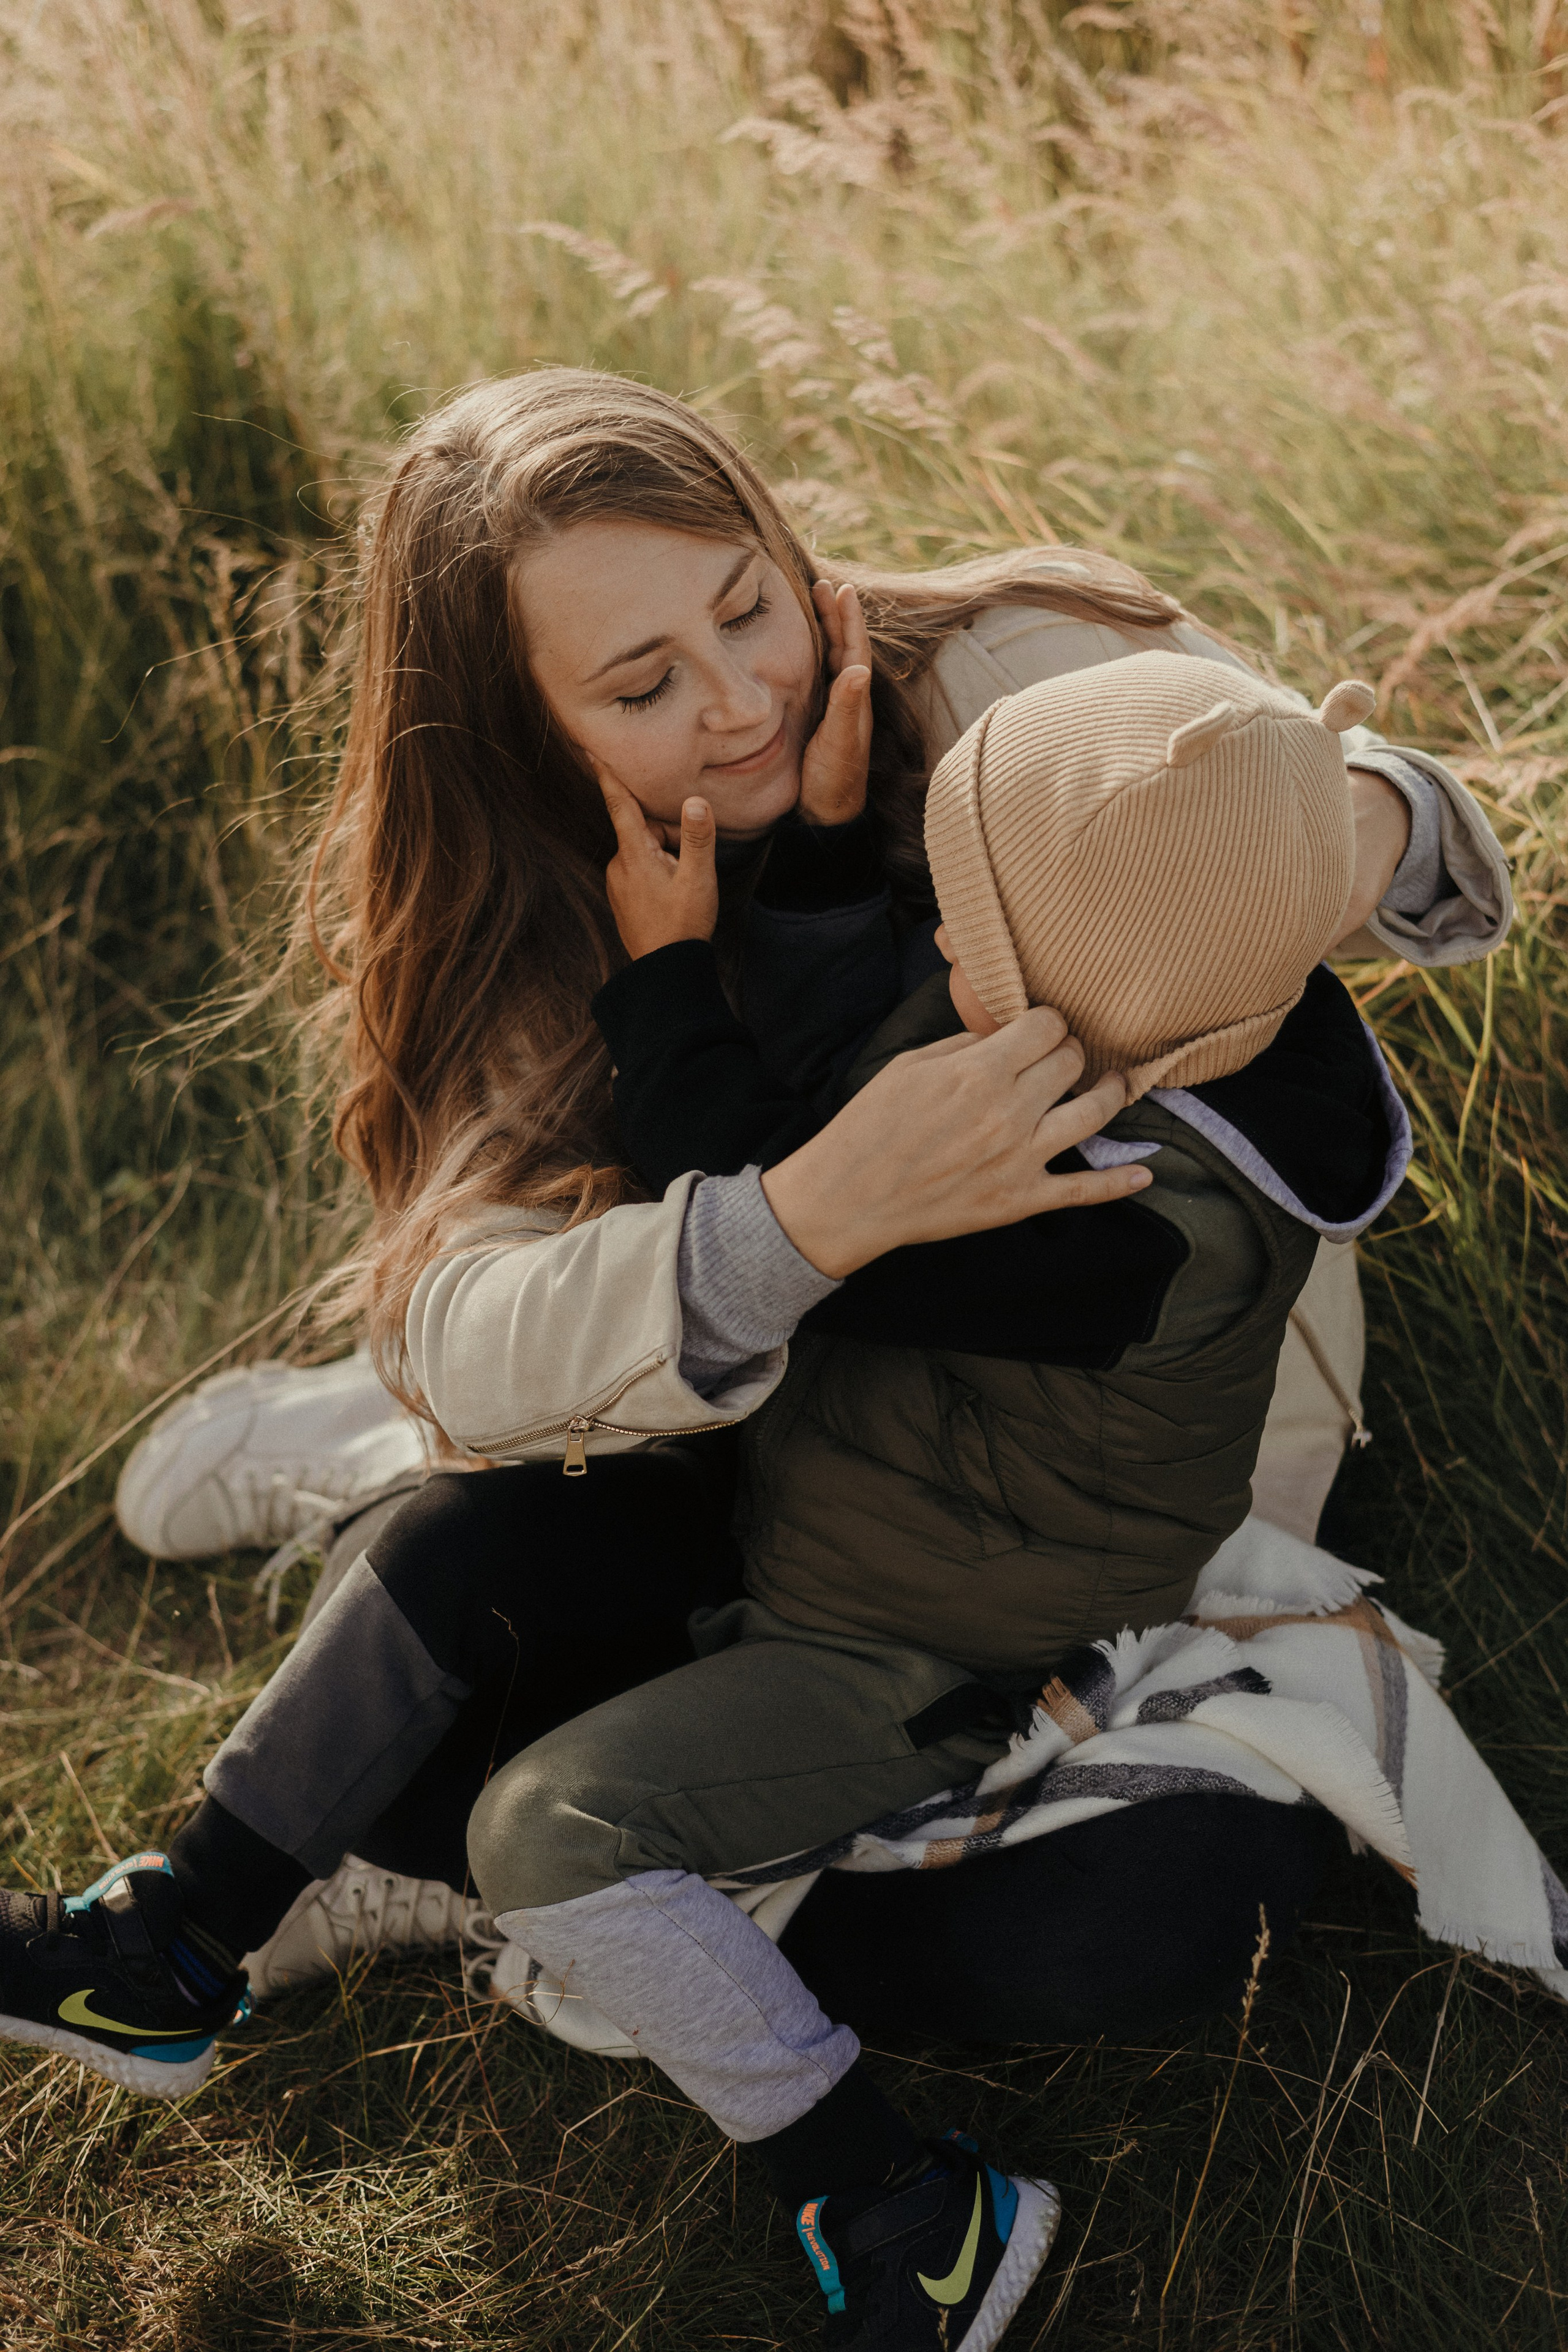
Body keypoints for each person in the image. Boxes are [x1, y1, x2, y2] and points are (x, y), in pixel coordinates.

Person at [2, 373, 1506, 2128]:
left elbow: (1430, 842)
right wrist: (805, 1217)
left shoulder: (1012, 679)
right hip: (779, 1488)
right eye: (641, 687)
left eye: (750, 606)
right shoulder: (527, 931)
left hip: (1097, 1516)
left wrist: (1296, 850)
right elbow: (465, 1321)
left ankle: (592, 1906)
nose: (741, 702)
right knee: (443, 1644)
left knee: (1149, 1926)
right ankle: (378, 1511)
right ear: (523, 743)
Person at [442, 651, 1403, 2346]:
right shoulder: (1177, 1034)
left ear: (1078, 978)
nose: (939, 939)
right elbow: (841, 1093)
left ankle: (893, 2203)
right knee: (480, 1566)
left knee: (544, 1829)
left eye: (970, 916)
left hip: (919, 1649)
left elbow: (753, 1195)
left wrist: (667, 968)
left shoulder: (1104, 1217)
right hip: (876, 1529)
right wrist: (815, 851)